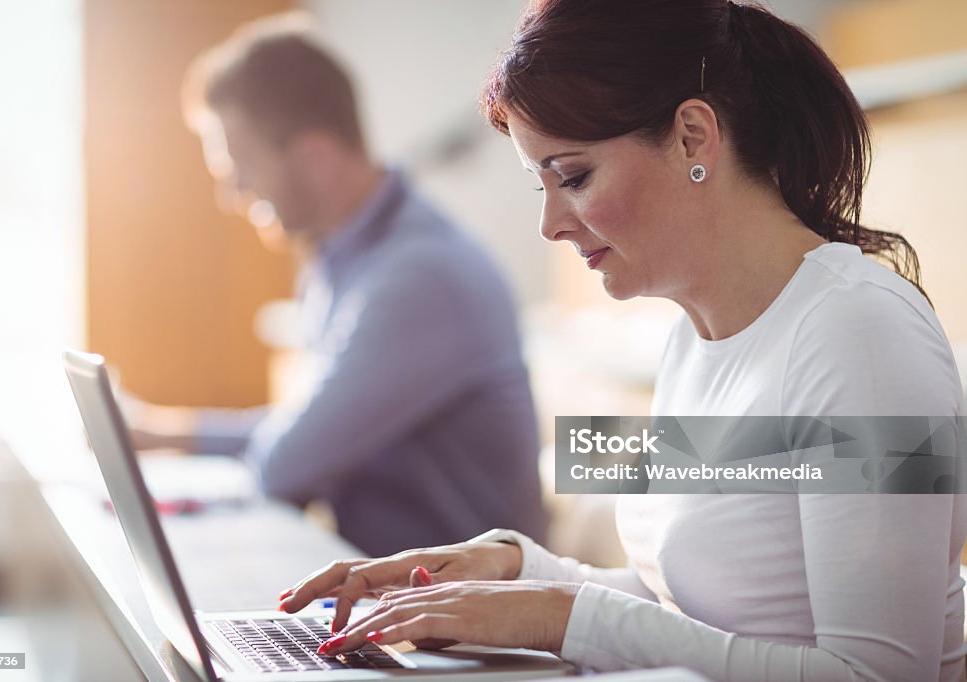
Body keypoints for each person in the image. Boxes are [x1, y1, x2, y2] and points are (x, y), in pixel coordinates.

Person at [274, 1, 967, 679]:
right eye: (540, 183)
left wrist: (557, 615)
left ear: (694, 137)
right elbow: (697, 608)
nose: (550, 224)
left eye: (572, 176)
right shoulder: (693, 336)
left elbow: (877, 673)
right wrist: (514, 565)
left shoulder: (862, 335)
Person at [125, 14, 547, 557]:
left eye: (241, 167)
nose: (233, 194)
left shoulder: (420, 277)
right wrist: (161, 434)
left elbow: (285, 465)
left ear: (313, 159)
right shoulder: (340, 258)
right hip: (384, 591)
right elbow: (312, 425)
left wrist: (171, 437)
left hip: (465, 624)